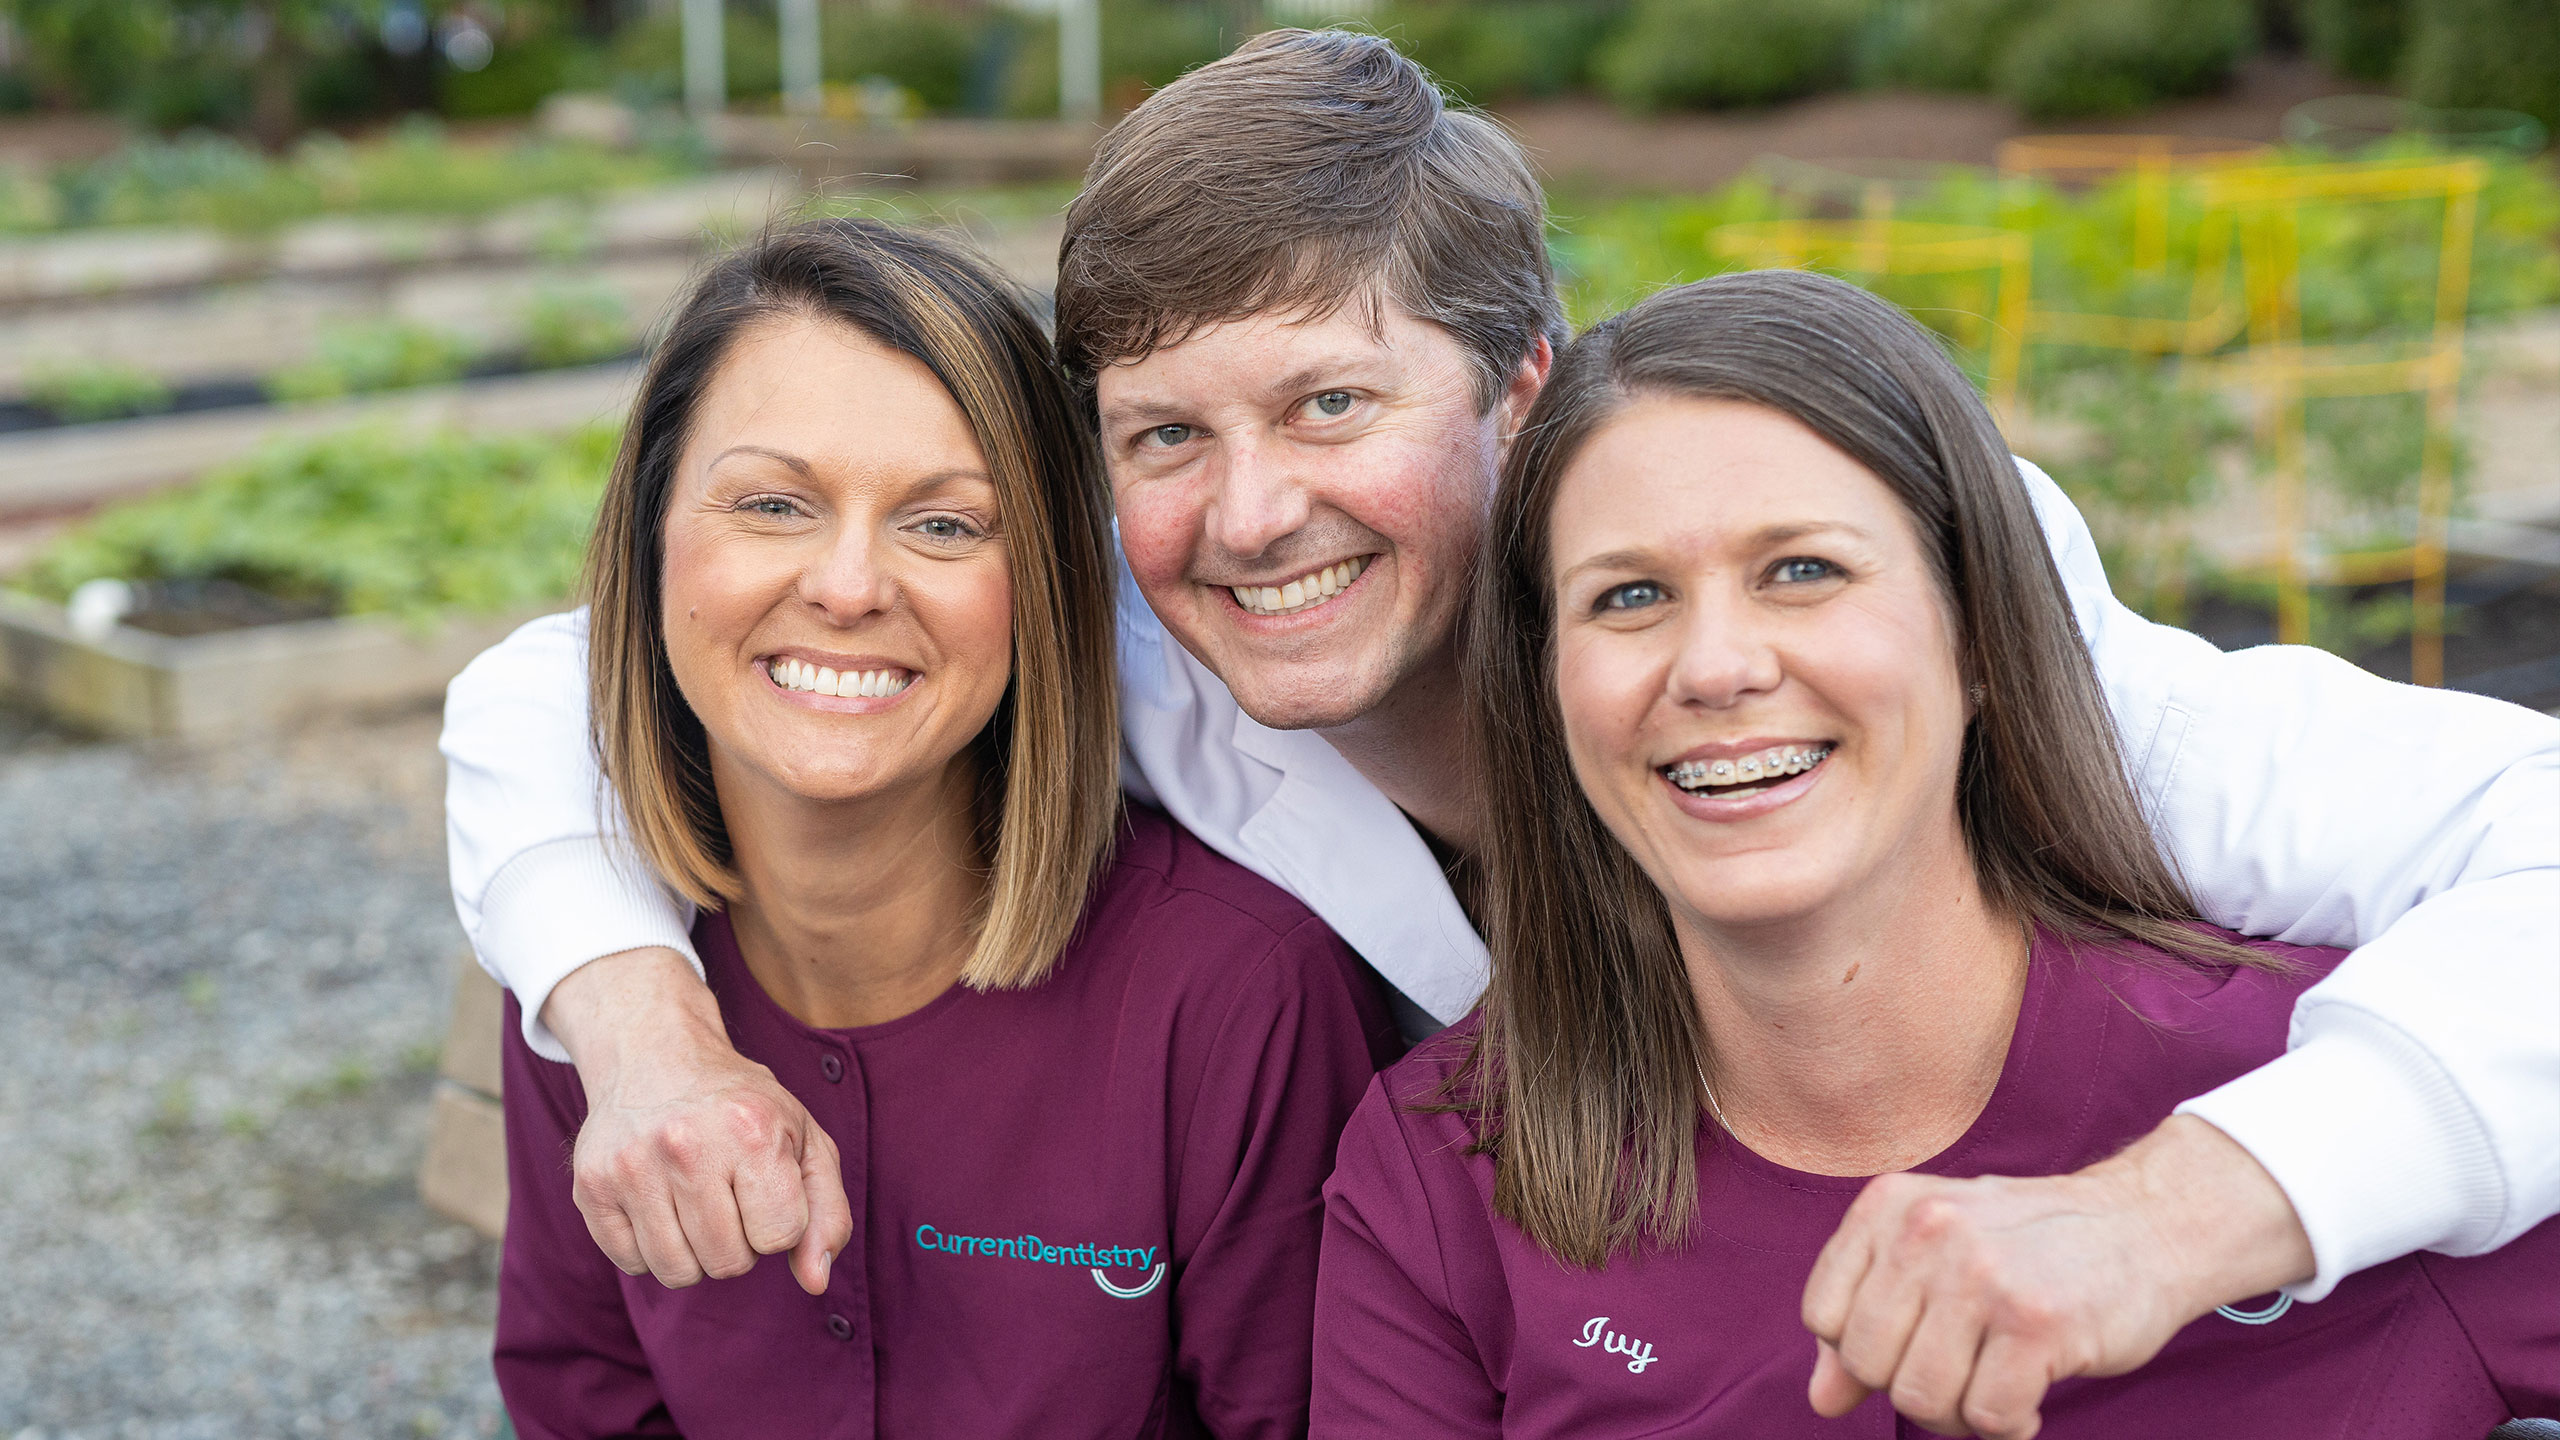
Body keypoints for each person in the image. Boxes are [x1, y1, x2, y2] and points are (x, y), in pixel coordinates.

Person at [444, 29, 2560, 1430]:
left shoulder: (1903, 616)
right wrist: (640, 1031)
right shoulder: (1147, 609)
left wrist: (2179, 1209)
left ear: (1521, 387)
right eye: (1164, 433)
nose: (1250, 510)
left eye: (1334, 405)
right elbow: (591, 669)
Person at [1312, 268, 2560, 1439]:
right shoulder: (1451, 1171)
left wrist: (2171, 1221)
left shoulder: (2318, 1091)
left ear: (1976, 639)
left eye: (1801, 570)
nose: (1716, 667)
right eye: (1627, 597)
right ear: (1546, 686)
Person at [489, 218, 1393, 1440]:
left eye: (947, 524)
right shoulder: (603, 973)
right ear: (650, 540)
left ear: (1049, 587)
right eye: (771, 503)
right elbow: (582, 1398)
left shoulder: (1233, 995)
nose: (850, 586)